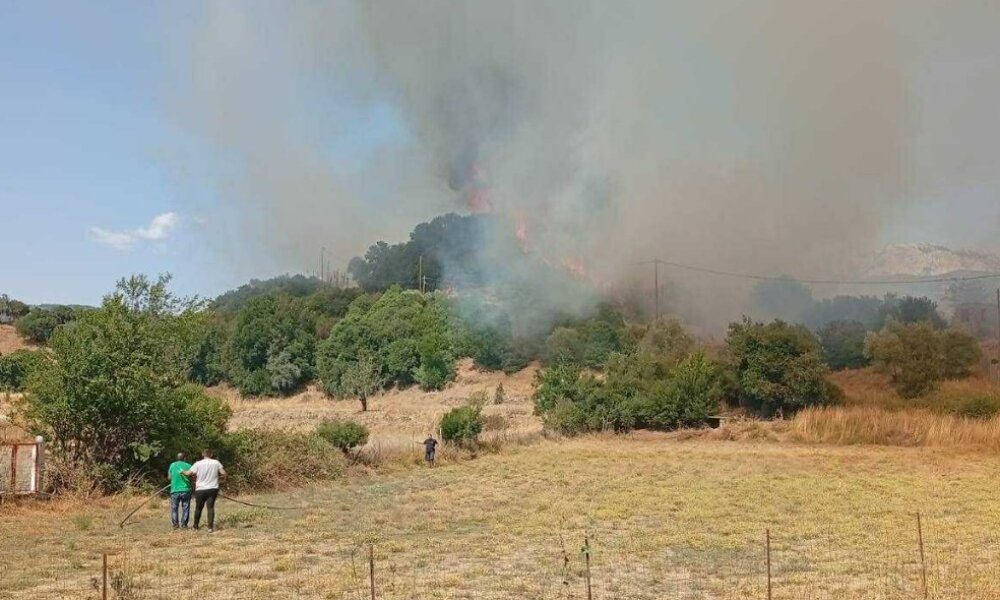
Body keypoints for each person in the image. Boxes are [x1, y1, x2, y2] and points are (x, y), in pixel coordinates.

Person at [183, 449, 226, 533]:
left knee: (198, 508)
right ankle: (210, 527)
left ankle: (195, 526)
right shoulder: (216, 462)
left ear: (203, 454)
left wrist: (182, 471)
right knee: (210, 507)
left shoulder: (198, 464)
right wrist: (223, 479)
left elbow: (188, 473)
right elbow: (223, 473)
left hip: (201, 489)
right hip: (212, 488)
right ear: (211, 454)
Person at [167, 452, 192, 529]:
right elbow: (192, 476)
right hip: (186, 490)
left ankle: (175, 525)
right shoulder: (188, 465)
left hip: (175, 490)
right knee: (186, 508)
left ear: (177, 458)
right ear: (184, 458)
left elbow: (169, 478)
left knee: (174, 508)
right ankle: (184, 525)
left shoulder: (172, 465)